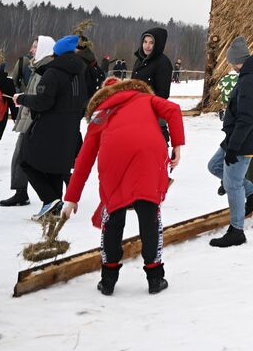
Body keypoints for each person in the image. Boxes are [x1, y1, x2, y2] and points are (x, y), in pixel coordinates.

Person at [61, 76, 185, 295]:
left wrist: (72, 198)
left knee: (113, 215)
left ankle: (108, 279)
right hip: (148, 155)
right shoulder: (144, 98)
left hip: (113, 159)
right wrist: (177, 145)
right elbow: (173, 109)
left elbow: (84, 159)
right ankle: (155, 277)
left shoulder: (100, 113)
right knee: (149, 214)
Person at [15, 35, 90, 218]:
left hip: (48, 128)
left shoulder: (53, 72)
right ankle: (53, 208)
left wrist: (22, 98)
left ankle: (50, 199)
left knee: (26, 161)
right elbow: (84, 101)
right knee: (56, 169)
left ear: (56, 52)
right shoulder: (80, 73)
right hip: (70, 129)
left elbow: (43, 102)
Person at [208, 37, 253, 248]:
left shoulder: (248, 81)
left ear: (236, 60)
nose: (231, 66)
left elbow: (247, 118)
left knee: (232, 184)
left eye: (230, 62)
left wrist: (234, 147)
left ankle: (236, 231)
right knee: (214, 166)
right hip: (239, 136)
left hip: (245, 140)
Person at [1, 36, 55, 206]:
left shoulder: (46, 70)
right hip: (30, 118)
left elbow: (42, 98)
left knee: (24, 158)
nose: (31, 50)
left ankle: (50, 196)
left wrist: (24, 99)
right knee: (22, 157)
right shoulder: (37, 67)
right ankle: (22, 192)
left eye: (35, 47)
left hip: (36, 121)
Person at [131, 27, 173, 100]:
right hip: (134, 103)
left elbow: (163, 94)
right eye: (145, 42)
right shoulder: (139, 60)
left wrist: (146, 101)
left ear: (158, 44)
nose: (147, 46)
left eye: (151, 43)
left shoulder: (163, 62)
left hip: (149, 105)